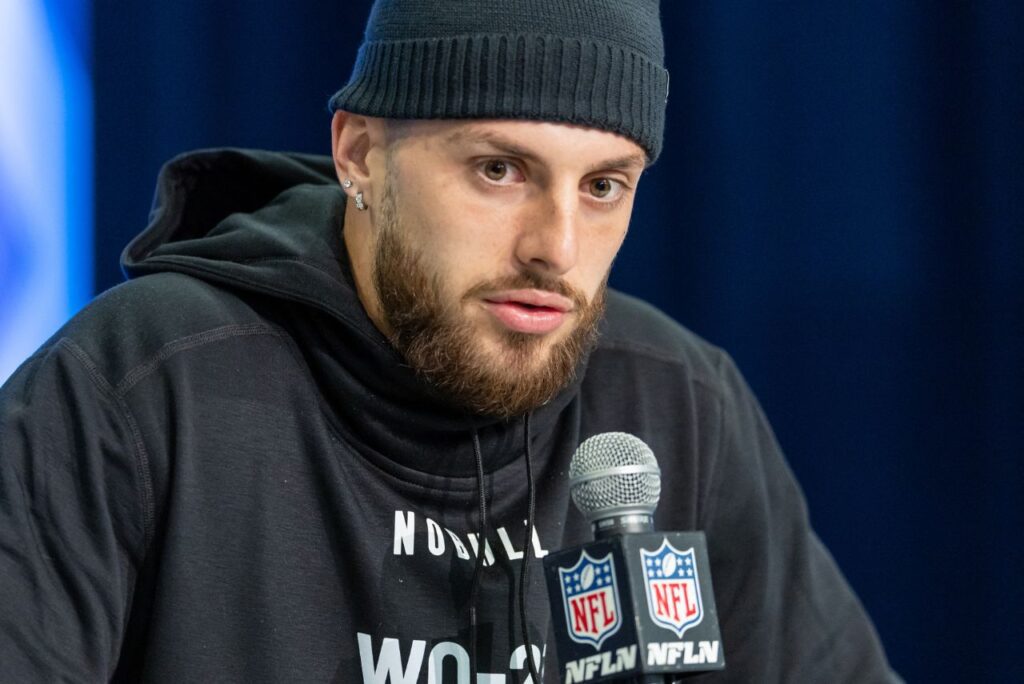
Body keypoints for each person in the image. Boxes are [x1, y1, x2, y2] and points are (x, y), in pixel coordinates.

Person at [0, 0, 900, 681]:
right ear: (359, 154)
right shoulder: (137, 387)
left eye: (603, 187)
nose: (557, 247)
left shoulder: (675, 403)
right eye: (499, 170)